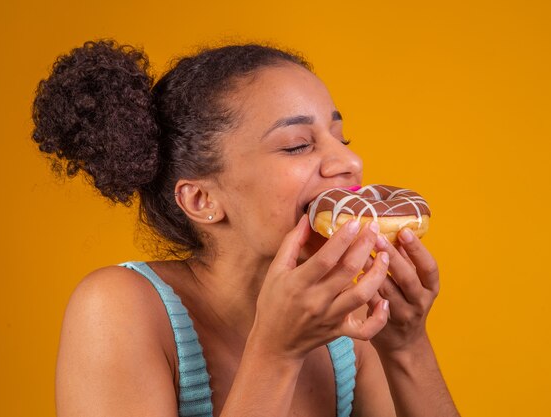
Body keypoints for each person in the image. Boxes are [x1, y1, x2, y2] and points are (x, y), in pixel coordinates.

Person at [32, 39, 459, 417]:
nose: (351, 162)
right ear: (203, 201)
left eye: (340, 138)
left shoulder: (346, 322)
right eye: (298, 145)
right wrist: (276, 354)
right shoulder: (117, 308)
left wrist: (406, 346)